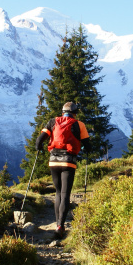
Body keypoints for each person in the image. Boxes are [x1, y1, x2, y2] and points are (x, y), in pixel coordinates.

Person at [35, 102, 90, 238]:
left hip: (53, 161)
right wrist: (84, 149)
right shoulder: (79, 124)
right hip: (68, 162)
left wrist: (39, 147)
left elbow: (39, 140)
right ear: (75, 113)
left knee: (58, 193)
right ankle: (60, 226)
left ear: (62, 111)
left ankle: (57, 224)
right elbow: (88, 145)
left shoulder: (53, 122)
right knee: (65, 193)